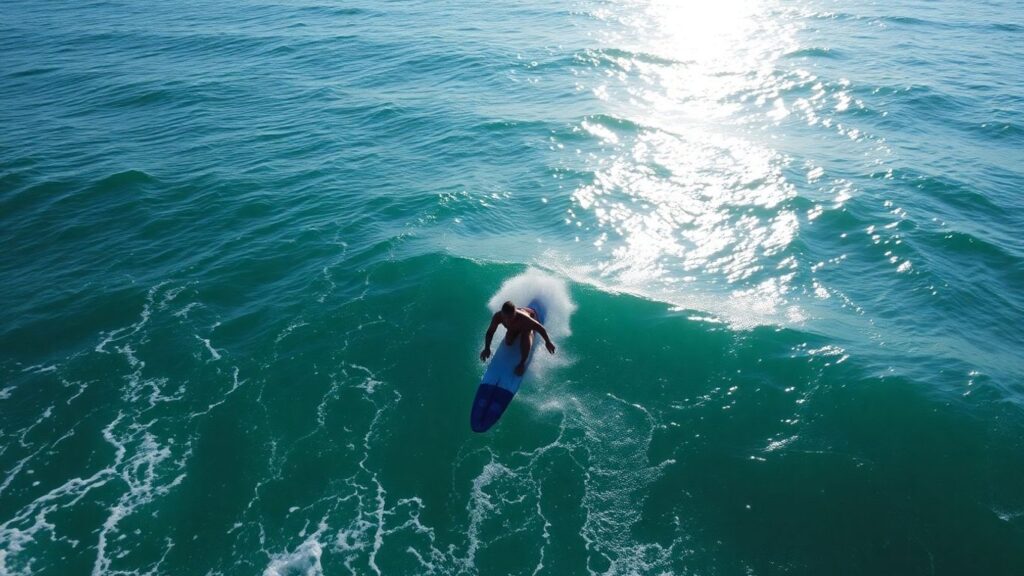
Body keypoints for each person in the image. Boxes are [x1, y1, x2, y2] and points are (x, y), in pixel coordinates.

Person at [480, 300, 556, 375]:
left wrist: (548, 342)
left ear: (515, 313)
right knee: (508, 342)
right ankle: (517, 332)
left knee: (526, 333)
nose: (508, 320)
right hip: (514, 327)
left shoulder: (524, 319)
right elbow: (490, 332)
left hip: (530, 317)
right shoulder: (498, 316)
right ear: (502, 313)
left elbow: (540, 328)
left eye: (510, 317)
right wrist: (487, 348)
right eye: (505, 317)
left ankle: (522, 362)